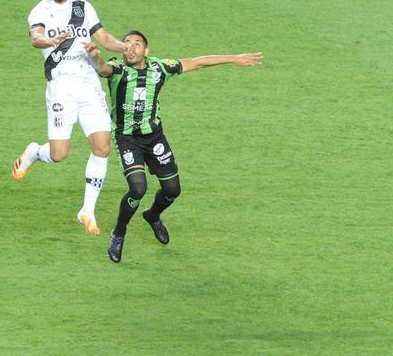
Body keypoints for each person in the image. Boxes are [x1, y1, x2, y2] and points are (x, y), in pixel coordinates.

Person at [85, 32, 262, 263]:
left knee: (172, 190)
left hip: (155, 138)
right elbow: (102, 70)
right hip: (128, 139)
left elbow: (197, 62)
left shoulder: (160, 68)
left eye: (137, 44)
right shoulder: (117, 68)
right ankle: (118, 233)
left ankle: (152, 215)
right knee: (138, 188)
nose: (131, 47)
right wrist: (95, 57)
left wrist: (234, 58)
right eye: (127, 43)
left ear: (146, 51)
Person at [12, 0, 126, 236]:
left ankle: (87, 210)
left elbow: (104, 37)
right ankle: (34, 152)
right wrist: (51, 41)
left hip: (89, 83)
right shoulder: (39, 12)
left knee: (102, 147)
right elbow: (35, 38)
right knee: (58, 154)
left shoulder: (82, 7)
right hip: (62, 87)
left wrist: (126, 48)